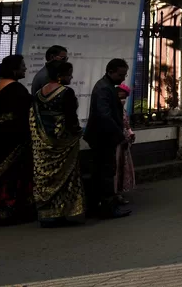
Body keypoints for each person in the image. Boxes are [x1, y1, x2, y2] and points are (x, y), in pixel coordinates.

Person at [30, 60, 84, 227]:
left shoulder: (39, 93)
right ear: (61, 76)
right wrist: (77, 133)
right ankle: (62, 211)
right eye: (69, 74)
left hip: (43, 143)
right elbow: (70, 118)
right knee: (65, 176)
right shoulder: (66, 92)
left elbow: (35, 118)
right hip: (63, 142)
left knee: (45, 176)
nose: (71, 77)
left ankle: (47, 214)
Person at [0, 55, 36, 225]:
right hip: (14, 137)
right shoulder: (16, 89)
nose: (25, 69)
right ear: (14, 69)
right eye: (22, 66)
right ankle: (11, 210)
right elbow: (25, 113)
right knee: (13, 175)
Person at [84, 58, 131, 219]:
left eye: (125, 74)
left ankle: (97, 206)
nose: (123, 78)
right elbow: (105, 116)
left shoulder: (107, 86)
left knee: (101, 171)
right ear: (110, 71)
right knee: (105, 171)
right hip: (102, 137)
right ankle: (106, 207)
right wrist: (119, 135)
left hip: (103, 136)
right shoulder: (104, 89)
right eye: (120, 74)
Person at [114, 84, 136, 205]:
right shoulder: (112, 110)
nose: (122, 100)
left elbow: (126, 126)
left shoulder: (122, 111)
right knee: (116, 168)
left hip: (124, 144)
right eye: (120, 97)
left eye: (124, 98)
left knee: (123, 167)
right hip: (116, 143)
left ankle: (119, 193)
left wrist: (130, 134)